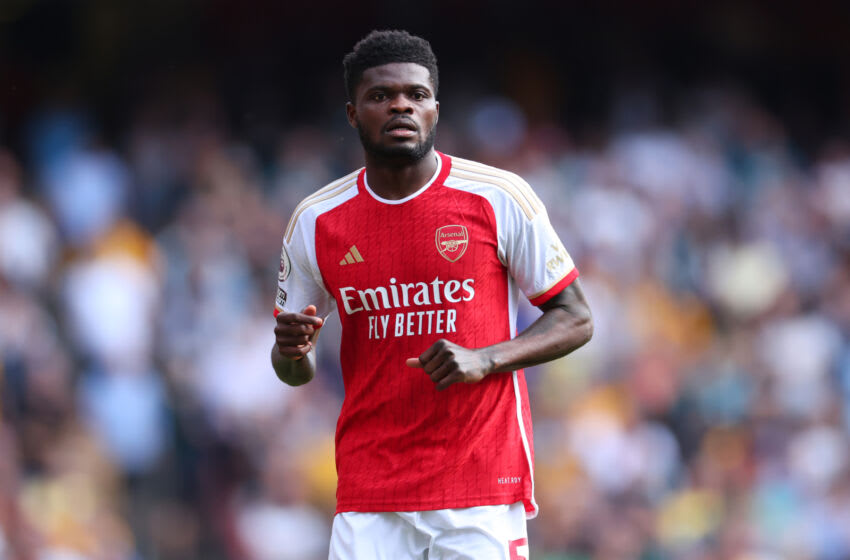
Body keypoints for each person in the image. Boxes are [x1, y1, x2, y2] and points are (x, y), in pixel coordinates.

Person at [271, 29, 593, 560]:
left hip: (479, 484)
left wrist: (486, 358)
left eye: (416, 95)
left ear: (435, 110)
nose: (400, 106)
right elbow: (292, 371)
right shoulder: (315, 220)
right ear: (352, 114)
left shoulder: (498, 196)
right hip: (369, 491)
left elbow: (576, 317)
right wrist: (290, 353)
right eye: (380, 96)